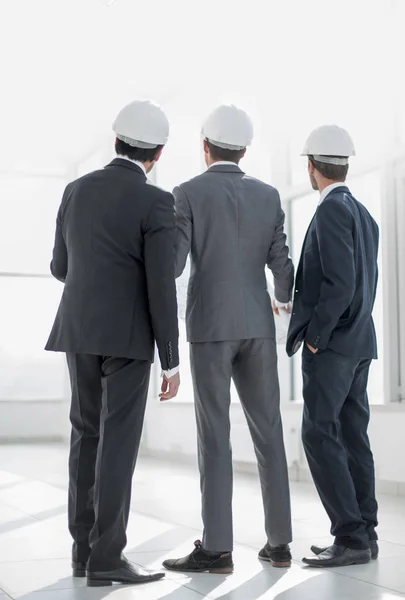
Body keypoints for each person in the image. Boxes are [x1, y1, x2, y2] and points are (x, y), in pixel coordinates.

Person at [45, 100, 180, 587]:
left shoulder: (75, 189)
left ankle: (82, 553)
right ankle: (108, 557)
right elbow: (162, 286)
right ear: (158, 152)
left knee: (85, 435)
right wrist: (170, 360)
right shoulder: (156, 202)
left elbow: (60, 267)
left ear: (116, 138)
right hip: (128, 337)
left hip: (78, 330)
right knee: (118, 441)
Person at [163, 105, 294, 574]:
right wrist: (280, 299)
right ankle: (279, 543)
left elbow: (174, 265)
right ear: (245, 149)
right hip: (258, 325)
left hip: (210, 328)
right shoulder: (268, 194)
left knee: (214, 436)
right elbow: (282, 266)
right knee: (269, 431)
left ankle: (217, 548)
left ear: (204, 147)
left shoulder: (189, 193)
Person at [287, 125, 379, 568]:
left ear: (311, 166)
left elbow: (340, 285)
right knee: (352, 435)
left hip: (335, 345)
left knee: (317, 433)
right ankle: (365, 534)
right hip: (360, 341)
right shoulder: (364, 214)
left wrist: (317, 338)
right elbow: (361, 283)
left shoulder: (330, 211)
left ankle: (349, 534)